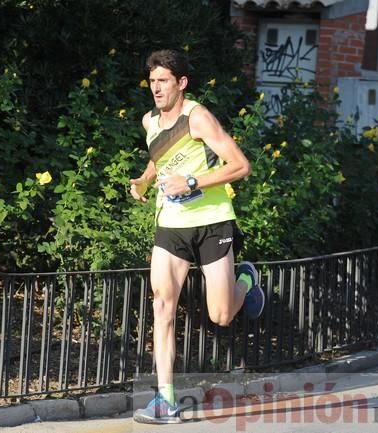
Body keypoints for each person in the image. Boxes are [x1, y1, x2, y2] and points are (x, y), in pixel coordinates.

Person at [130, 49, 265, 424]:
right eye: (152, 81)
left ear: (181, 83)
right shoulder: (149, 121)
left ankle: (246, 279)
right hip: (171, 224)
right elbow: (161, 157)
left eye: (163, 81)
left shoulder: (199, 117)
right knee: (162, 305)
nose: (155, 88)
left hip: (212, 221)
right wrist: (144, 179)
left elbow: (241, 165)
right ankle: (165, 400)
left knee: (221, 315)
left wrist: (192, 181)